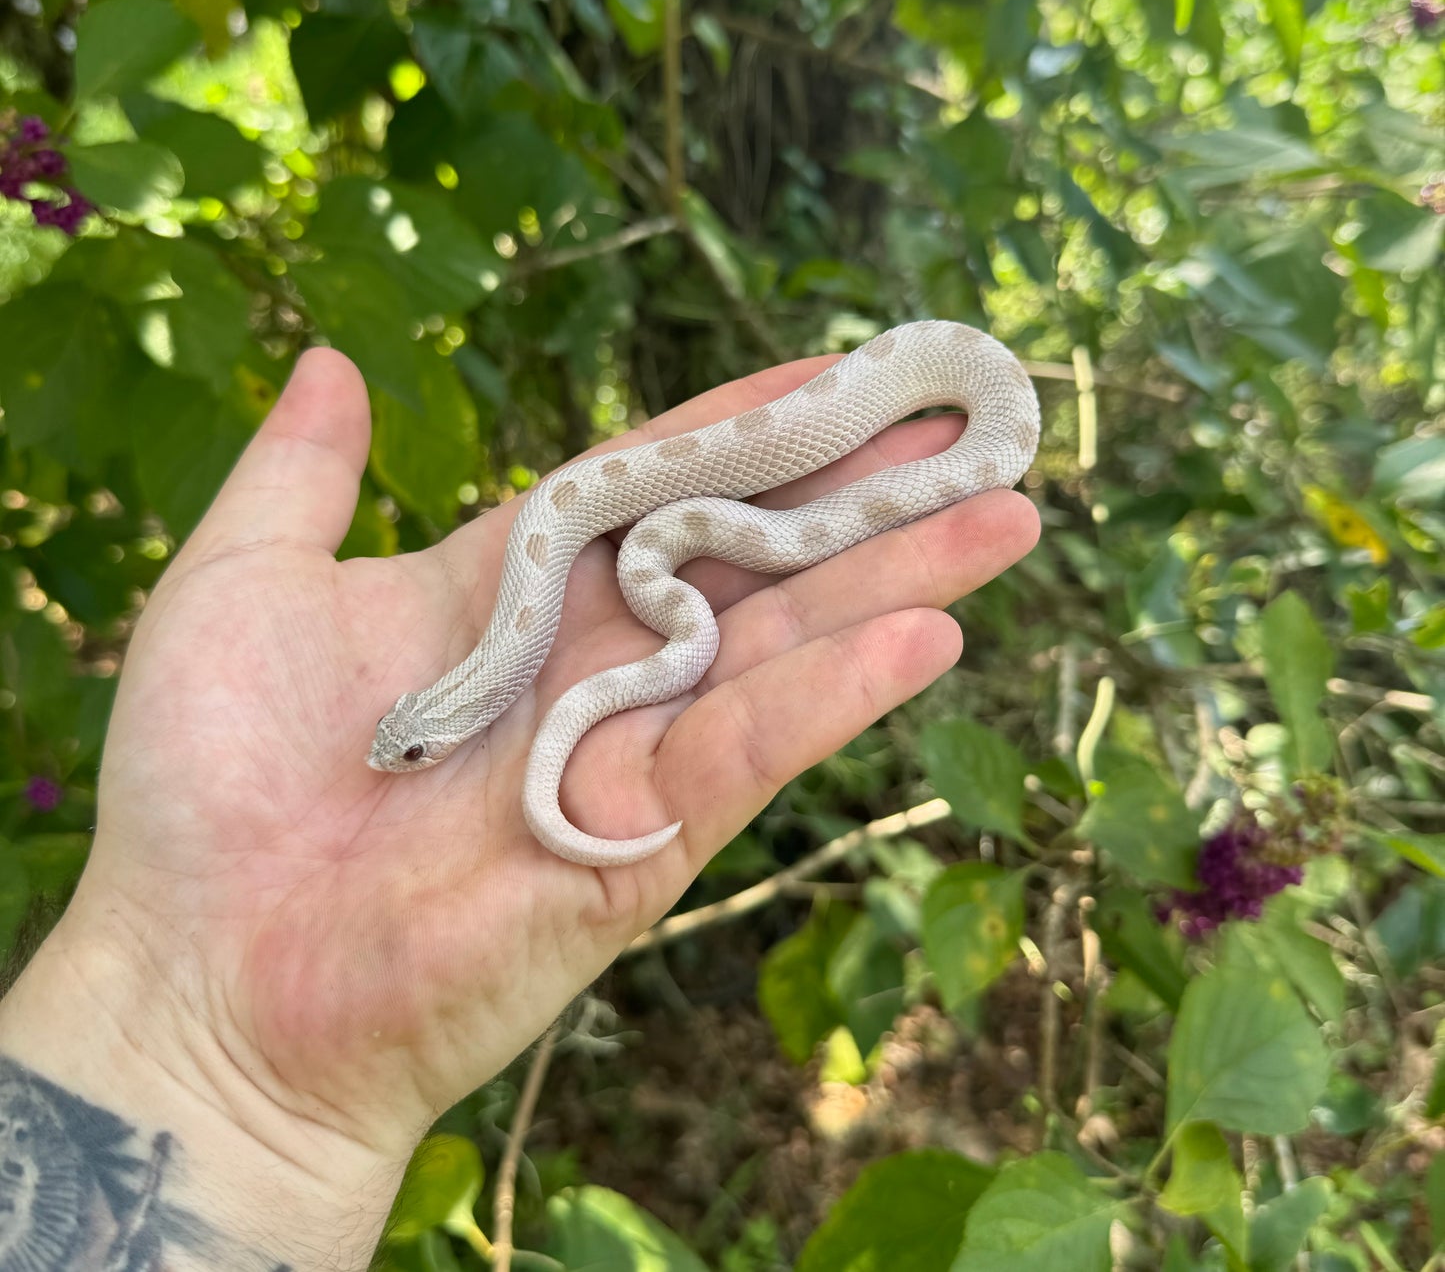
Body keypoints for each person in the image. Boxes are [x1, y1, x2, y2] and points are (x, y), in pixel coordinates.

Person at [0, 345, 1039, 1270]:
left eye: (411, 746)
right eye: (408, 743)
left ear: (446, 728)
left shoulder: (596, 581)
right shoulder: (525, 618)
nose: (396, 753)